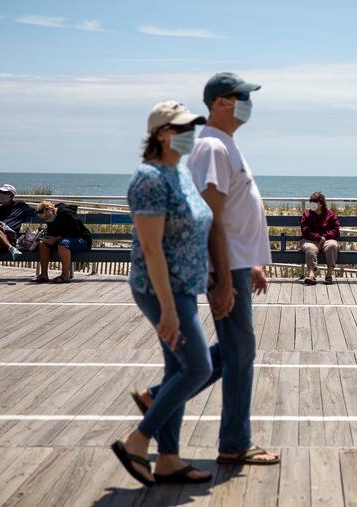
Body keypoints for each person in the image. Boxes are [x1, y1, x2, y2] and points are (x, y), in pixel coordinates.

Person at [134, 72, 279, 466]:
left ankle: (159, 394)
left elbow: (230, 215)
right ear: (219, 102)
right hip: (225, 268)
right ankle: (233, 441)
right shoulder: (214, 146)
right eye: (241, 96)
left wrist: (248, 264)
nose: (248, 102)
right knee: (240, 350)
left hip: (235, 264)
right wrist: (223, 275)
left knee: (236, 349)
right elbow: (212, 215)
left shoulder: (225, 144)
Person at [110, 100, 215, 487]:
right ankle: (137, 441)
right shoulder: (149, 178)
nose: (191, 134)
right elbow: (151, 248)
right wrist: (168, 310)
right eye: (184, 127)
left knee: (178, 370)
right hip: (161, 291)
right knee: (200, 367)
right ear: (162, 133)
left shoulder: (179, 172)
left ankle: (168, 459)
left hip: (185, 286)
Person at [0, 184, 35, 284]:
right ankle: (11, 249)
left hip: (8, 237)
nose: (1, 195)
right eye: (0, 192)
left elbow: (37, 212)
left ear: (12, 195)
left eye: (4, 193)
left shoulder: (20, 206)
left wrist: (55, 209)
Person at [32, 201, 93, 283]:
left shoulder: (66, 213)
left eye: (47, 217)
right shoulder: (50, 217)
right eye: (45, 218)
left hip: (81, 239)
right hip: (63, 240)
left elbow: (76, 231)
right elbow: (53, 233)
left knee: (63, 244)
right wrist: (48, 238)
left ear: (51, 210)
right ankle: (44, 275)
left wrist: (56, 239)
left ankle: (65, 275)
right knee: (42, 244)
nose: (47, 219)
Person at [300, 191, 340, 285]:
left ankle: (329, 274)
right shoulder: (307, 215)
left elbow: (336, 230)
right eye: (311, 202)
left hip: (327, 239)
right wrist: (317, 237)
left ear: (321, 204)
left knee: (332, 246)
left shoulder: (329, 214)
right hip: (310, 239)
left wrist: (325, 237)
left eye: (315, 202)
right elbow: (305, 230)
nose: (312, 205)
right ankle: (311, 275)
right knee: (309, 248)